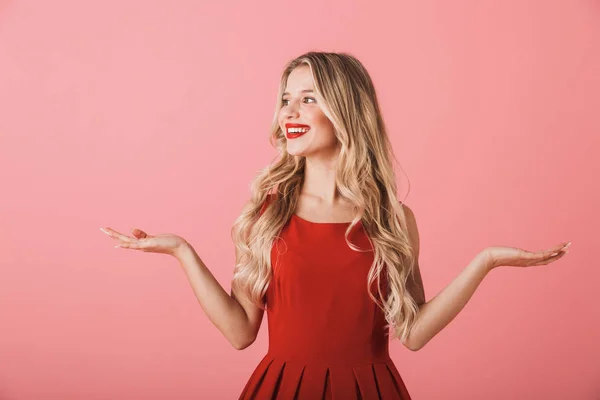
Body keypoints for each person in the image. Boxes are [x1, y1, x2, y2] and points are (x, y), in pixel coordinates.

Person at [100, 51, 571, 399]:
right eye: (286, 99)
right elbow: (241, 331)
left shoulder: (392, 220)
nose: (289, 111)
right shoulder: (268, 215)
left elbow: (414, 333)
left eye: (308, 99)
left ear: (345, 112)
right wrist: (183, 252)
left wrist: (485, 262)